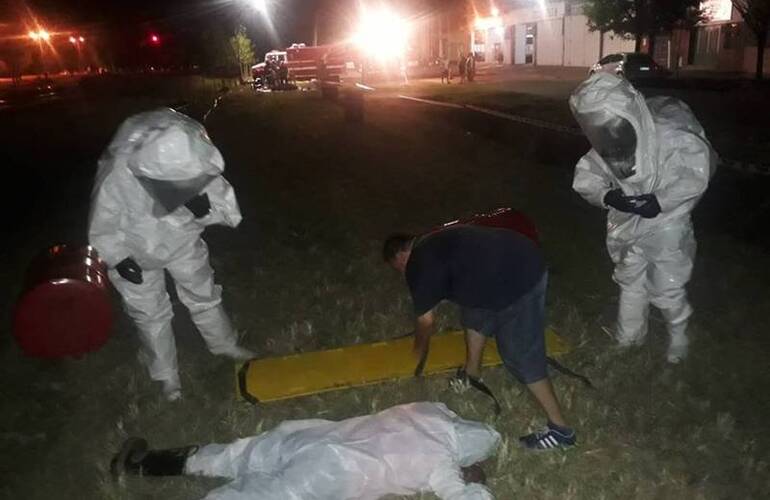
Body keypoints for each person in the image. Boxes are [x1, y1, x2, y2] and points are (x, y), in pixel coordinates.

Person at [89, 108, 254, 401]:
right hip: (135, 250)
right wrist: (118, 258)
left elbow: (229, 212)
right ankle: (166, 376)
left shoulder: (193, 160)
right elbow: (103, 224)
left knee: (203, 293)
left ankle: (224, 344)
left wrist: (204, 210)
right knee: (149, 314)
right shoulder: (118, 174)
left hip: (181, 240)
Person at [383, 225, 576, 450]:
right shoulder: (431, 240)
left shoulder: (418, 263)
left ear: (400, 256)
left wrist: (419, 348)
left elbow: (426, 322)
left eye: (398, 268)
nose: (402, 273)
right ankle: (472, 373)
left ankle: (561, 431)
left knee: (519, 355)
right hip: (512, 253)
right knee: (474, 312)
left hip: (520, 275)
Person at [570, 73, 717, 363]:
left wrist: (660, 201)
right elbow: (586, 175)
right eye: (597, 127)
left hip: (667, 222)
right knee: (630, 279)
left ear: (630, 113)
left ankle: (678, 335)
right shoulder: (606, 140)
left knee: (666, 283)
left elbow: (694, 175)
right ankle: (629, 337)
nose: (606, 135)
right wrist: (608, 196)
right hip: (627, 223)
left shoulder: (670, 136)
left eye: (609, 125)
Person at [110, 402, 500, 500]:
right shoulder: (440, 463)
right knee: (259, 497)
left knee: (232, 455)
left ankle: (143, 464)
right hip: (334, 471)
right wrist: (475, 482)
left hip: (308, 437)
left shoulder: (427, 411)